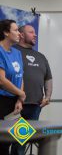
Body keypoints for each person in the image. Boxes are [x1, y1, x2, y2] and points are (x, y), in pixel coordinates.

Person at [11, 24, 53, 155]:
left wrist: (47, 97)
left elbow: (48, 78)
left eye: (35, 32)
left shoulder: (41, 56)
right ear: (21, 35)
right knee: (8, 142)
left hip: (34, 106)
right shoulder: (12, 52)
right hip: (14, 105)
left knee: (21, 142)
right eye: (31, 32)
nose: (35, 35)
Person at [0, 19, 25, 155]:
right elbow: (1, 81)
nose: (19, 34)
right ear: (5, 32)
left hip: (14, 103)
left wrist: (19, 99)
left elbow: (20, 76)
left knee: (23, 137)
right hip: (1, 102)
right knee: (3, 146)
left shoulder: (17, 53)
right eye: (15, 30)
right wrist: (20, 94)